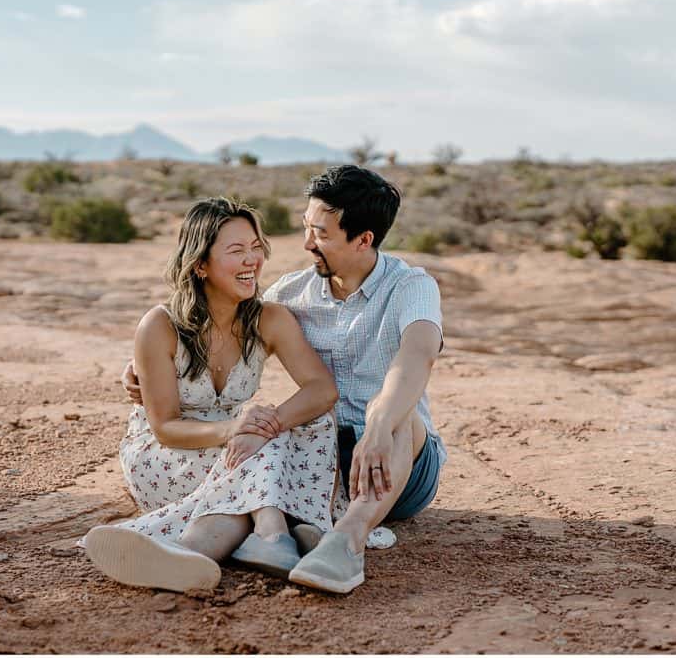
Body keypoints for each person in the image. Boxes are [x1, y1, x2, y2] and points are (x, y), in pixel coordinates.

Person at [125, 164, 445, 594]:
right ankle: (235, 545)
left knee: (394, 416)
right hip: (326, 463)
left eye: (321, 234)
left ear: (363, 239)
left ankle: (345, 542)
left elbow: (417, 357)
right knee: (277, 437)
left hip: (397, 458)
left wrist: (380, 424)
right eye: (306, 228)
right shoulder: (288, 294)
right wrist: (143, 370)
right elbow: (222, 318)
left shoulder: (411, 287)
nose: (306, 243)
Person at [84, 197, 345, 593]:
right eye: (236, 250)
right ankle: (278, 529)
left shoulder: (269, 319)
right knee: (262, 449)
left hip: (236, 451)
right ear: (200, 264)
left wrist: (262, 426)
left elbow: (322, 389)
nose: (251, 261)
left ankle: (193, 555)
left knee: (309, 426)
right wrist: (238, 429)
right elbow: (167, 428)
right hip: (168, 456)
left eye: (256, 248)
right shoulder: (160, 325)